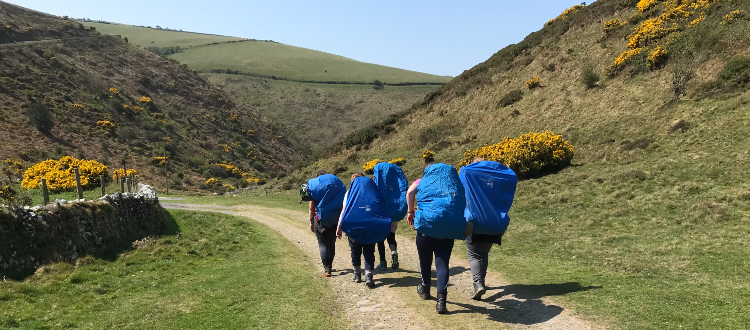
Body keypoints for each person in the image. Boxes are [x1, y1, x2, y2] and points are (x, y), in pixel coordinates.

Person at [407, 163, 470, 314]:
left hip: (427, 227)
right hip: (449, 229)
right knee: (442, 263)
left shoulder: (422, 181)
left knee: (425, 260)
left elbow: (409, 193)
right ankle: (441, 302)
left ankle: (426, 288)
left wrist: (411, 211)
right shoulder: (453, 183)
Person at [460, 158, 518, 300]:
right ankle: (481, 282)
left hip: (474, 221)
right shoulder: (495, 182)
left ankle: (478, 284)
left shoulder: (468, 176)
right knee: (484, 253)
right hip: (494, 223)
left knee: (474, 255)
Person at [336, 172, 392, 287]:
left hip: (353, 227)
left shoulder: (349, 193)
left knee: (355, 251)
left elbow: (344, 211)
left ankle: (357, 274)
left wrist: (339, 227)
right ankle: (369, 275)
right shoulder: (373, 192)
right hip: (371, 227)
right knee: (369, 251)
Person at [307, 170, 346, 277]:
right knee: (331, 243)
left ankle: (327, 269)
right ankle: (330, 265)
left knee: (323, 244)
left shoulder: (316, 190)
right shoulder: (335, 189)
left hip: (320, 219)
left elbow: (311, 208)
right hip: (335, 218)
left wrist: (311, 222)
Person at [373, 162, 409, 271]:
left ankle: (383, 262)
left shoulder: (378, 181)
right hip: (395, 209)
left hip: (382, 212)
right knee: (391, 236)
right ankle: (394, 252)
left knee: (380, 239)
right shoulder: (396, 179)